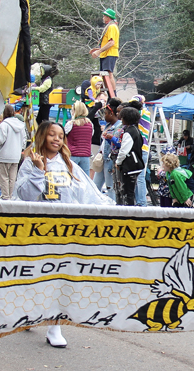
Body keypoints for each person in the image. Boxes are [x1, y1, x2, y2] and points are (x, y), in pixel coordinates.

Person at [17, 119, 112, 347]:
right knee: (37, 275)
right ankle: (32, 312)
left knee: (59, 276)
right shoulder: (30, 163)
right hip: (38, 231)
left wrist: (108, 210)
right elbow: (24, 196)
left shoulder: (69, 164)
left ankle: (54, 326)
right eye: (52, 135)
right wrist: (39, 171)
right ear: (42, 136)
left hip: (64, 232)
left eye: (60, 136)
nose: (57, 139)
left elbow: (86, 194)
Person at [0, 105, 27, 200]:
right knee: (13, 177)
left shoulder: (4, 125)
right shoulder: (21, 125)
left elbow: (0, 140)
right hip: (16, 155)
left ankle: (5, 195)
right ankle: (11, 195)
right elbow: (24, 140)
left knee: (3, 176)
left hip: (4, 154)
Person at [115, 106, 144, 206]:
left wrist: (118, 162)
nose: (121, 119)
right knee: (130, 192)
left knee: (128, 193)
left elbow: (123, 150)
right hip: (136, 164)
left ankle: (129, 213)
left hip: (130, 166)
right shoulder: (136, 130)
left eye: (122, 117)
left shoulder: (129, 132)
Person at [97, 99, 121, 199]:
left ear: (111, 114)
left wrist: (109, 138)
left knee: (110, 186)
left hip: (110, 159)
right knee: (95, 185)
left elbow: (118, 143)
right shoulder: (108, 125)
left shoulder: (119, 126)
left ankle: (113, 208)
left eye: (106, 113)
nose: (104, 116)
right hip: (103, 157)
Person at [65, 101, 94, 175]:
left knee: (72, 177)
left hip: (72, 155)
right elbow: (91, 136)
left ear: (75, 111)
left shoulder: (70, 124)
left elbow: (63, 136)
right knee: (85, 178)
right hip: (86, 155)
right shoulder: (90, 124)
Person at [91, 9, 119, 76]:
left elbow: (111, 42)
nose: (103, 18)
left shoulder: (112, 27)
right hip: (105, 54)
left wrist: (99, 51)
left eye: (104, 16)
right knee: (104, 75)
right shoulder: (109, 26)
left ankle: (112, 87)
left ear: (108, 17)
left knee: (108, 74)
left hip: (110, 54)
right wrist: (98, 50)